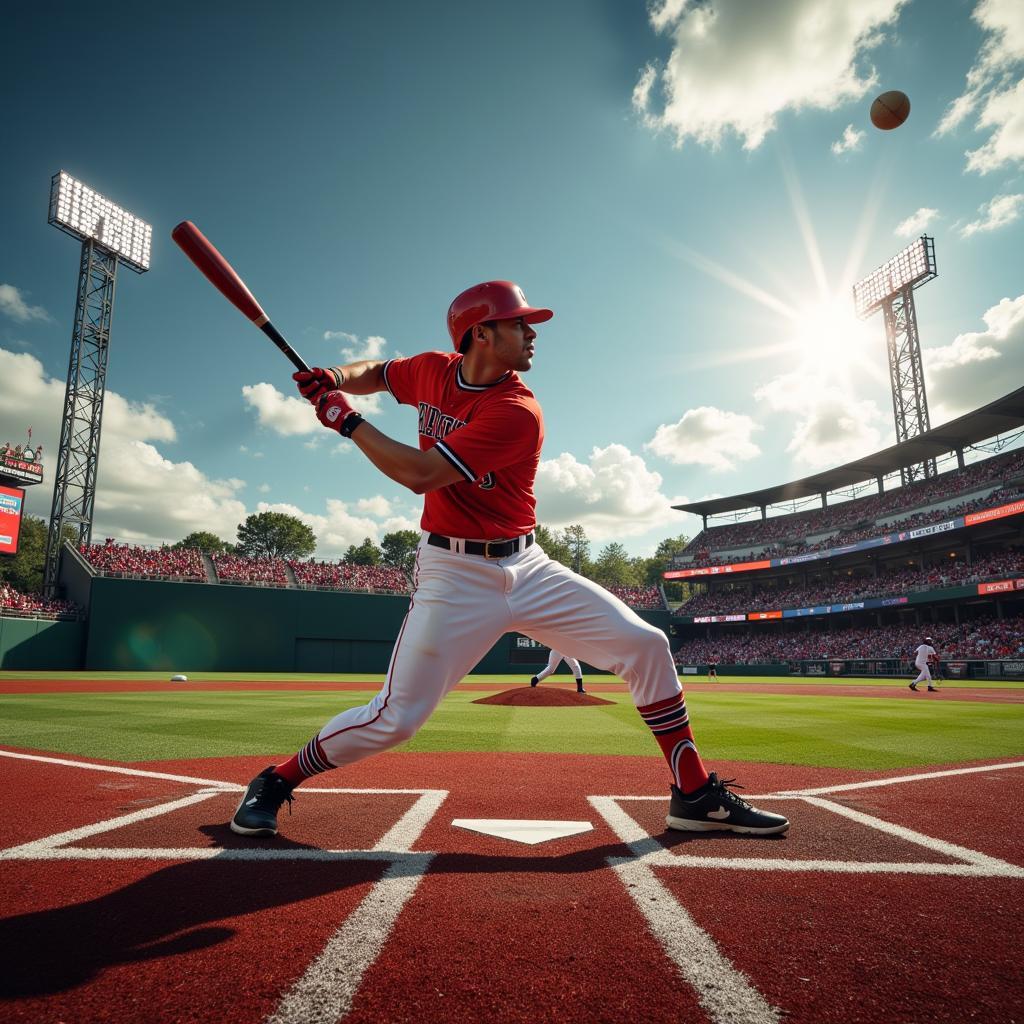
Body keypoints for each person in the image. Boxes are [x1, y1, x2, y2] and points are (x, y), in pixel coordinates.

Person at [230, 280, 789, 839]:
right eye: (519, 323)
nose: (532, 333)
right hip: (453, 575)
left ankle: (692, 794)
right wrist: (335, 376)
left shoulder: (518, 410)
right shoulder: (430, 369)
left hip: (529, 566)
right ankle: (276, 781)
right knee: (396, 719)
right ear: (480, 332)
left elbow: (419, 474)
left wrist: (345, 420)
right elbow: (377, 372)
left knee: (647, 645)